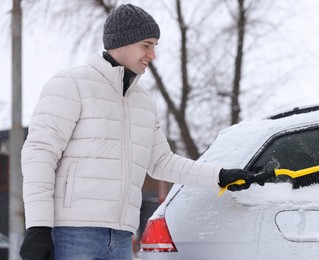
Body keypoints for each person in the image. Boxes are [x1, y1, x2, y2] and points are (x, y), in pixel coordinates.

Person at [19, 3, 260, 260]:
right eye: (146, 45)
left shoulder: (143, 102)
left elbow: (160, 162)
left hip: (122, 237)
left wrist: (220, 176)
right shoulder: (71, 85)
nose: (152, 55)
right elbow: (39, 155)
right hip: (72, 234)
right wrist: (38, 227)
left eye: (155, 46)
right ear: (121, 43)